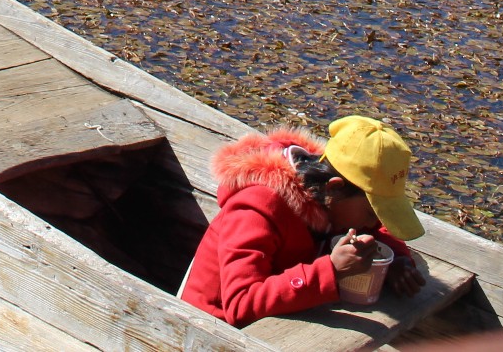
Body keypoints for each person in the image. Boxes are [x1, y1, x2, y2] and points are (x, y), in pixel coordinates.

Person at [179, 115, 428, 327]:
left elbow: (379, 228)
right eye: (372, 211)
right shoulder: (258, 207)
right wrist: (331, 270)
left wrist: (396, 261)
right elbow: (240, 304)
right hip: (212, 326)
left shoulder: (335, 196)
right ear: (334, 188)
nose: (373, 222)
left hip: (280, 317)